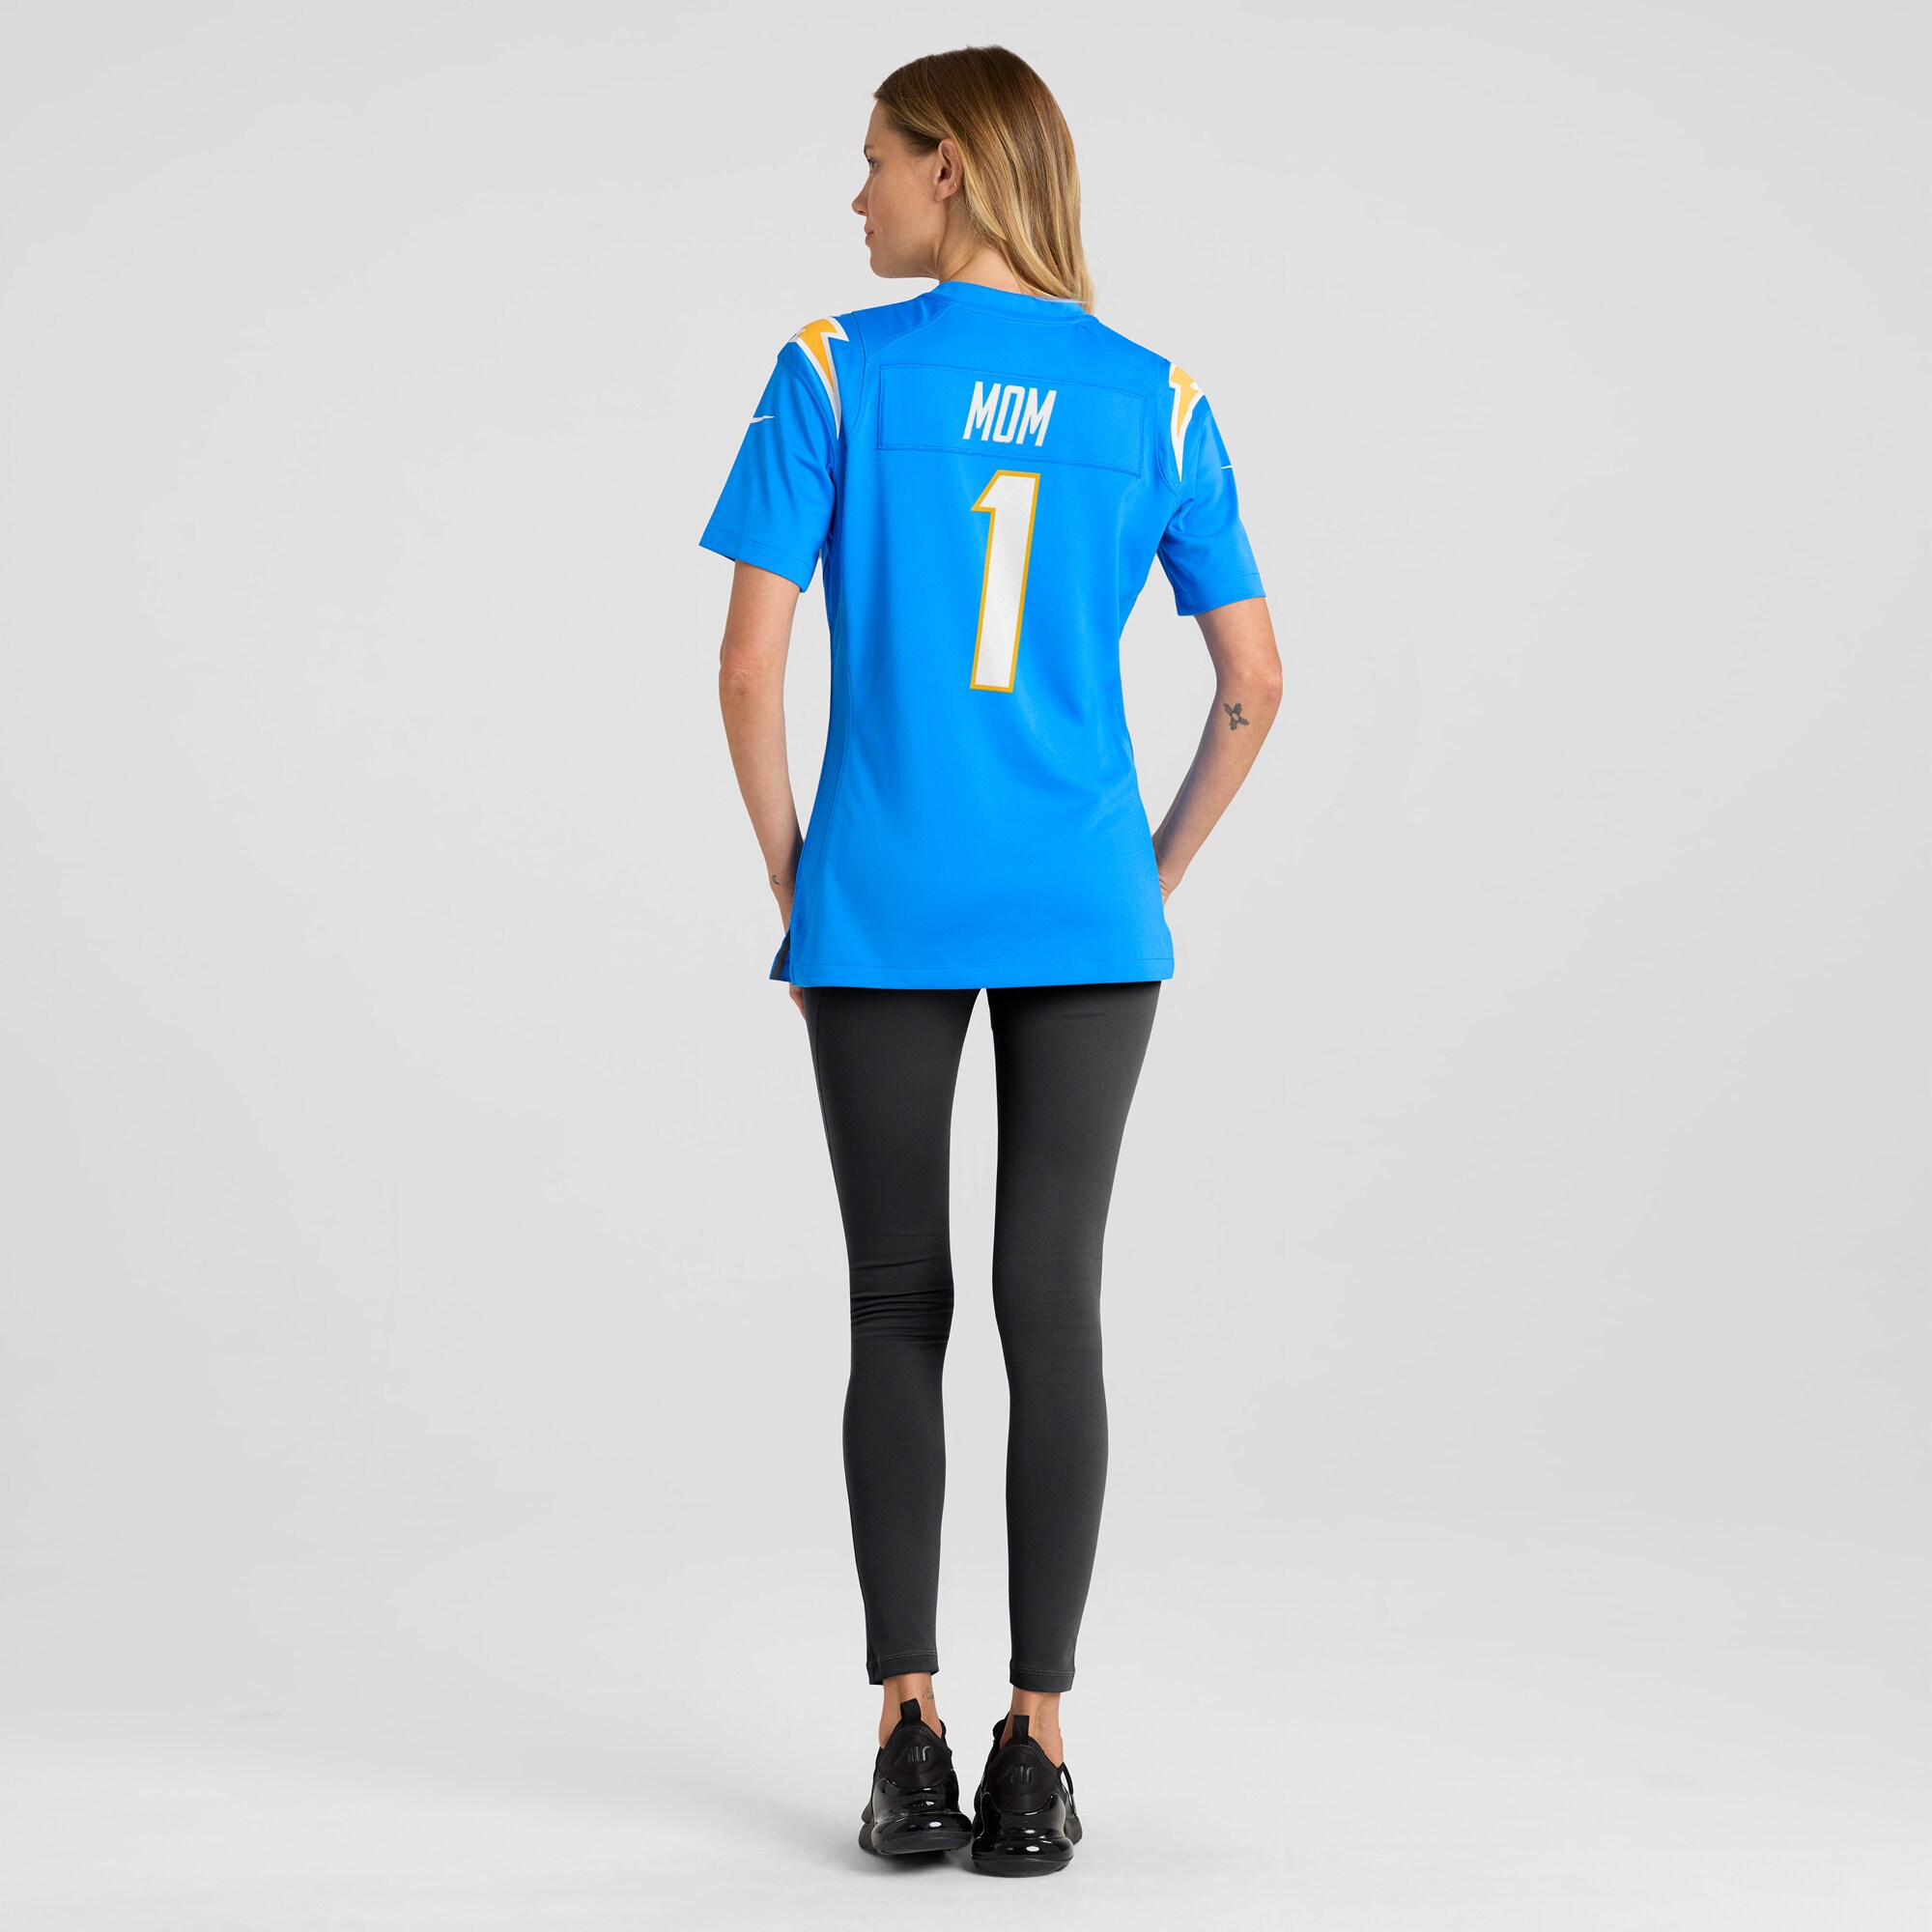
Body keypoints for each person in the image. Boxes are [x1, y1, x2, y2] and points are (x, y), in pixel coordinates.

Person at [701, 44, 1280, 1876]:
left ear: (949, 168)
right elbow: (1256, 682)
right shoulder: (1159, 396)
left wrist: (799, 874)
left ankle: (906, 1735)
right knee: (1056, 1307)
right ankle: (1039, 1749)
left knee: (897, 1305)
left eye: (874, 160)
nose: (856, 195)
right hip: (1085, 911)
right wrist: (1147, 877)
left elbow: (745, 666)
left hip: (879, 903)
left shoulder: (833, 372)